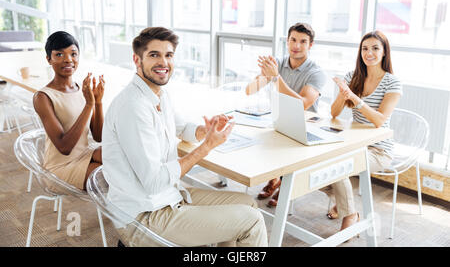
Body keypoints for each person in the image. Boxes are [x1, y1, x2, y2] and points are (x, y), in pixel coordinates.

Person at [102, 27, 268, 247]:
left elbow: (181, 128)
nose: (163, 62)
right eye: (154, 55)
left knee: (248, 204)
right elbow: (153, 182)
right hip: (143, 217)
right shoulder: (133, 107)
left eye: (168, 55)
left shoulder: (159, 94)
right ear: (136, 59)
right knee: (252, 222)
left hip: (168, 197)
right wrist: (206, 147)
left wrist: (205, 132)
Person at [326, 30, 402, 232]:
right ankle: (347, 204)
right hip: (353, 143)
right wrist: (344, 93)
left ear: (385, 52)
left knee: (337, 166)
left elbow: (379, 120)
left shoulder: (392, 82)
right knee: (316, 165)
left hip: (379, 150)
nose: (369, 53)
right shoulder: (352, 76)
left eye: (375, 48)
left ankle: (348, 213)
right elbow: (333, 113)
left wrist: (355, 97)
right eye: (365, 48)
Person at [245, 22, 327, 207]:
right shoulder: (278, 63)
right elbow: (249, 91)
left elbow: (302, 105)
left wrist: (275, 77)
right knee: (254, 142)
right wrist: (263, 74)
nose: (296, 46)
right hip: (279, 122)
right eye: (293, 40)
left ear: (310, 45)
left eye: (303, 42)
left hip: (305, 126)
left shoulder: (316, 72)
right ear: (287, 41)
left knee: (281, 146)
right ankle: (276, 178)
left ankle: (285, 183)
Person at [33, 31, 104, 190]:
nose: (68, 59)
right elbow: (64, 147)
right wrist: (88, 105)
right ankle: (135, 213)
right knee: (113, 175)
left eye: (73, 54)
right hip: (60, 167)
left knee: (120, 156)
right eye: (59, 54)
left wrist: (98, 102)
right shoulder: (43, 97)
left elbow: (99, 136)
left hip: (84, 154)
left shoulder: (81, 89)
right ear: (48, 59)